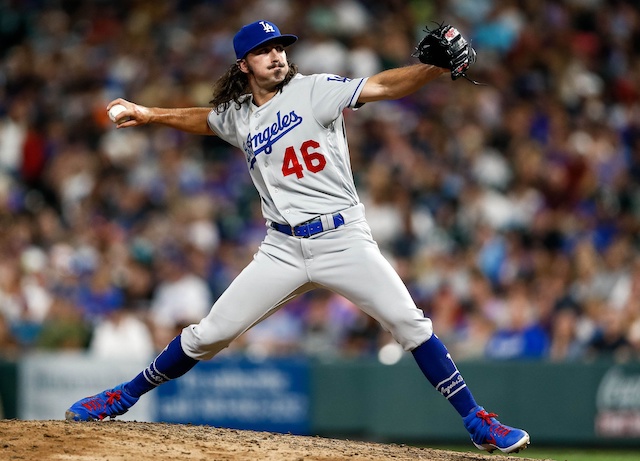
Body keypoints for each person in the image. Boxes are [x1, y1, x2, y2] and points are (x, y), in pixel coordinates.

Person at [65, 19, 530, 454]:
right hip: (282, 248)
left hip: (343, 238)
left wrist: (432, 68)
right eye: (263, 51)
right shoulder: (240, 116)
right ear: (244, 65)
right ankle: (121, 398)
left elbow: (384, 85)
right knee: (209, 335)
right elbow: (204, 119)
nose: (275, 55)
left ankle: (477, 421)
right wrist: (147, 114)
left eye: (279, 47)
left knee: (410, 324)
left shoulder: (314, 90)